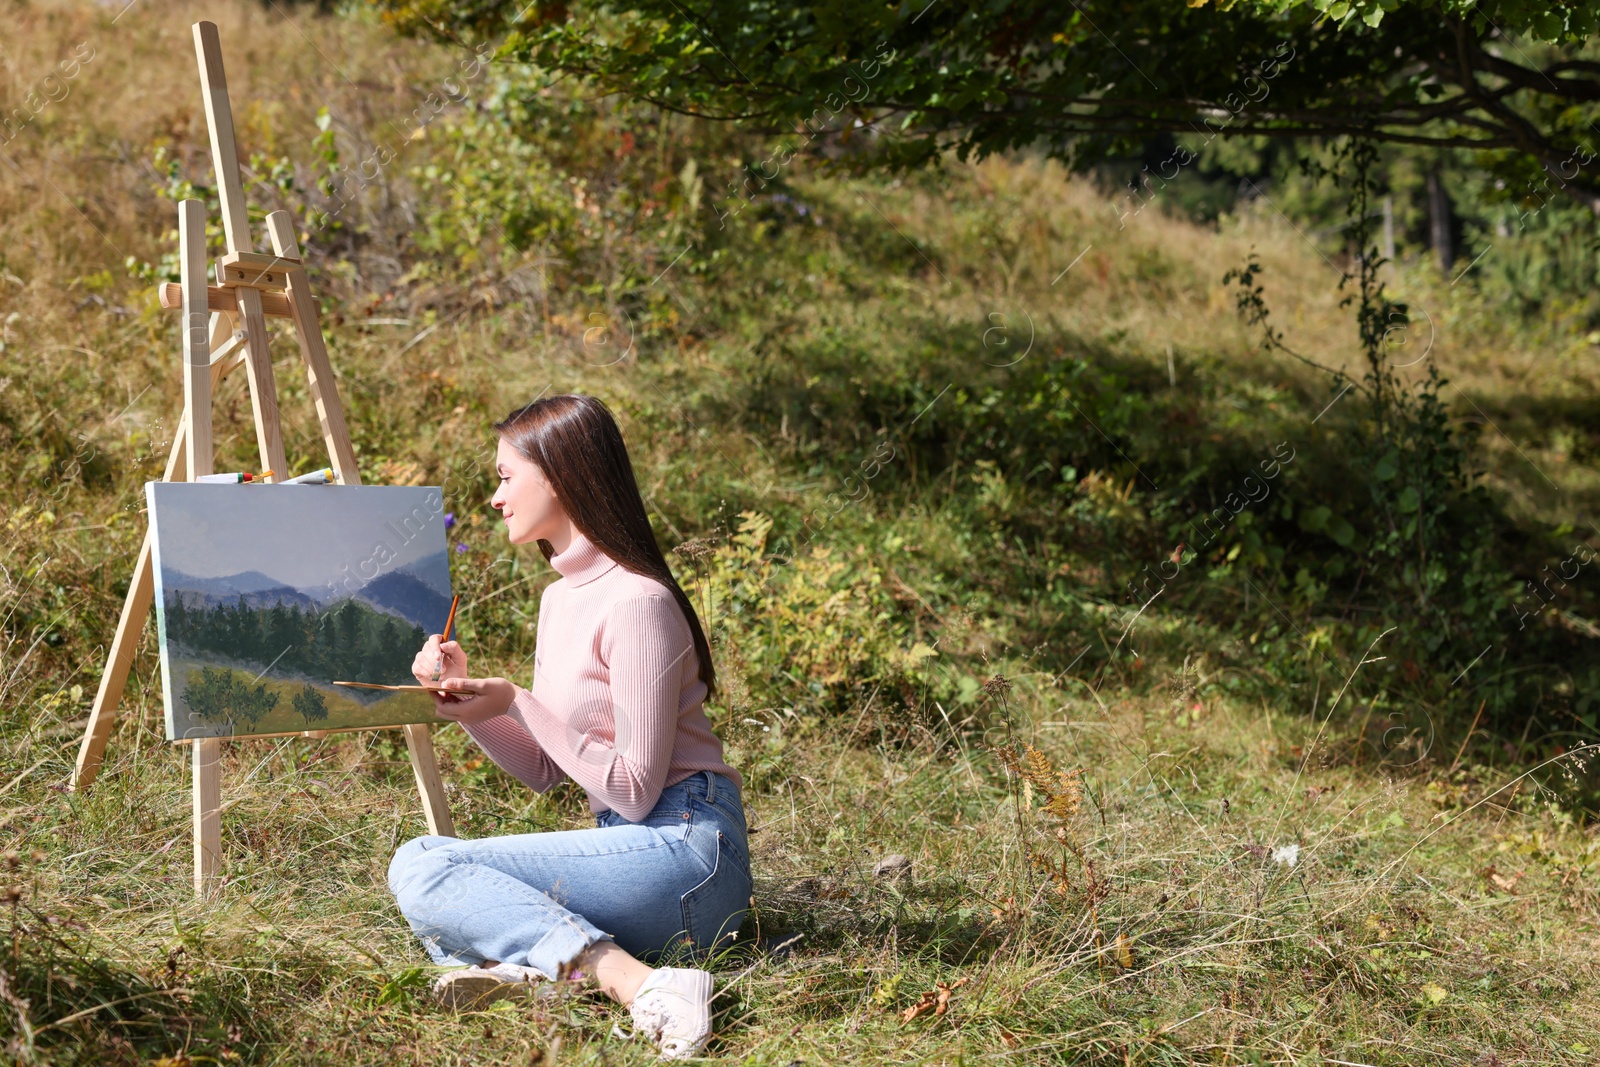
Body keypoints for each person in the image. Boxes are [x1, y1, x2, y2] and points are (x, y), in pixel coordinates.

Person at [386, 394, 750, 1060]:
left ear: (559, 473)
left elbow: (635, 789)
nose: (495, 497)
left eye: (504, 475)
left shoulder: (639, 599)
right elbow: (544, 769)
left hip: (688, 850)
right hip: (632, 855)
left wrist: (516, 699)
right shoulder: (559, 600)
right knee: (436, 880)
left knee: (423, 866)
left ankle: (627, 980)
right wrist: (476, 707)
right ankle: (579, 972)